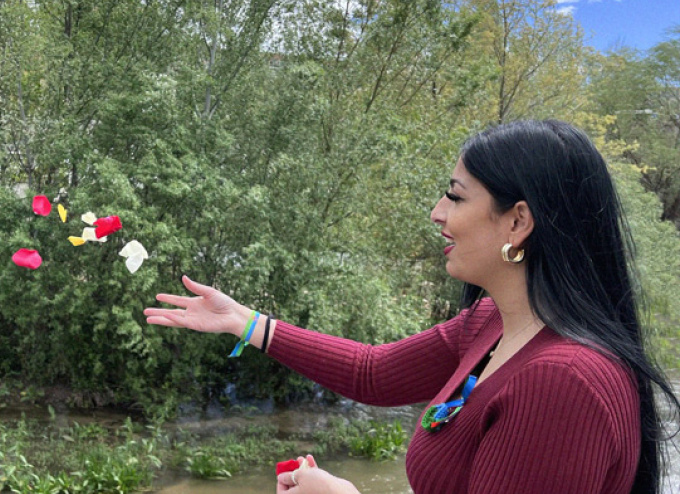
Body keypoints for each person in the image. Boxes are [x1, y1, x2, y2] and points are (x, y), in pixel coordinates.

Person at [144, 120, 680, 494]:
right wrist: (244, 321)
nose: (436, 213)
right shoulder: (493, 322)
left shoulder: (564, 384)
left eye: (455, 196)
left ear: (518, 221)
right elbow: (374, 373)